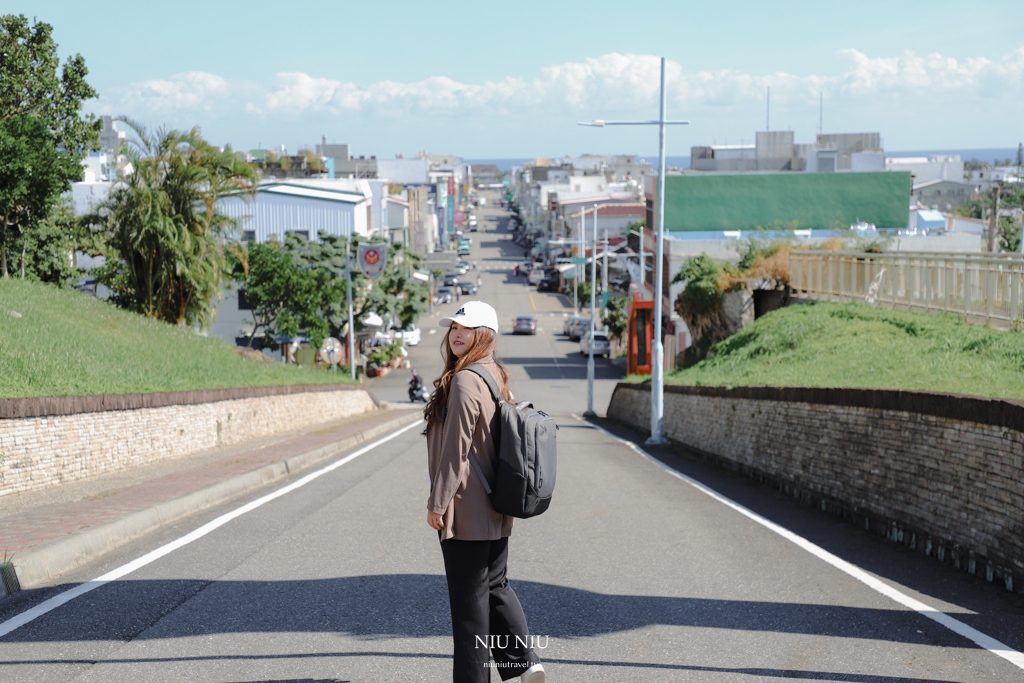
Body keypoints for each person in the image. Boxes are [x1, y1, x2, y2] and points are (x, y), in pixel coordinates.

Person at [423, 301, 545, 683]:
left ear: (485, 335)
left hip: (466, 512)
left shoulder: (464, 380)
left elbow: (455, 449)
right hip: (497, 506)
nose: (456, 333)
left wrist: (437, 502)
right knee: (495, 587)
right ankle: (524, 664)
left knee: (469, 611)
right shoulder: (494, 374)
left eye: (466, 327)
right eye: (453, 327)